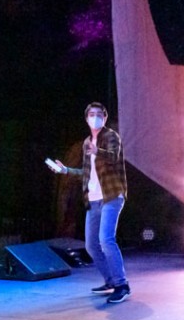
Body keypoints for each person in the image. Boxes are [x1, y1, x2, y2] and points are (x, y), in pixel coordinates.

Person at [49, 102, 130, 304]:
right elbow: (86, 173)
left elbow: (114, 157)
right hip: (93, 199)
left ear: (105, 117)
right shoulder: (87, 142)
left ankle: (122, 285)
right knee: (91, 246)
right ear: (86, 119)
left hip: (111, 195)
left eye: (99, 114)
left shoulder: (111, 137)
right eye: (92, 114)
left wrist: (97, 151)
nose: (95, 117)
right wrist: (66, 170)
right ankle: (110, 281)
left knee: (106, 240)